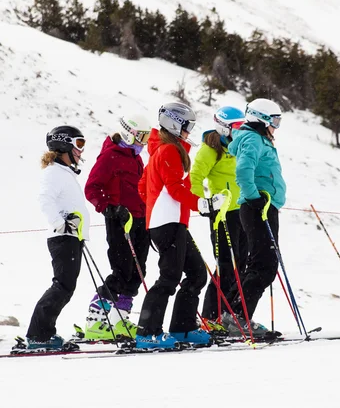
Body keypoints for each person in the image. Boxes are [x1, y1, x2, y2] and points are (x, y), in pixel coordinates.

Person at [134, 102, 225, 349]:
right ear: (175, 124)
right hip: (168, 222)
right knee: (169, 276)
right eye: (188, 126)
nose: (189, 131)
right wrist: (202, 204)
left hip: (171, 221)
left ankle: (183, 328)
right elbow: (174, 189)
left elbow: (143, 188)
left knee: (196, 273)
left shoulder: (160, 152)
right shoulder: (168, 152)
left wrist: (159, 205)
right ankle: (147, 333)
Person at [221, 98, 286, 338]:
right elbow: (243, 170)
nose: (276, 127)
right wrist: (253, 196)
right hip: (258, 207)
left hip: (263, 206)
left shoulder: (257, 139)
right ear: (261, 119)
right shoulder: (252, 139)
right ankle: (238, 317)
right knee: (264, 266)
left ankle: (232, 314)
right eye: (275, 121)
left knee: (260, 264)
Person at [83, 115, 151, 340]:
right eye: (142, 136)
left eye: (147, 137)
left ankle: (120, 320)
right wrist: (109, 208)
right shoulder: (110, 156)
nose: (144, 142)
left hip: (140, 220)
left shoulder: (136, 158)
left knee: (137, 272)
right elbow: (92, 188)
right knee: (121, 271)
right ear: (129, 133)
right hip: (119, 221)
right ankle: (96, 318)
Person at [24, 125, 90, 351]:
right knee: (62, 286)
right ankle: (38, 335)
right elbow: (44, 200)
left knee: (65, 286)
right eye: (79, 144)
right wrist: (61, 224)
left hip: (71, 236)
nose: (81, 151)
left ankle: (42, 333)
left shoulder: (63, 173)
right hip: (63, 237)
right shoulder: (54, 173)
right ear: (64, 145)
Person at [190, 106, 248, 330]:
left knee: (241, 264)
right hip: (222, 213)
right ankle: (210, 316)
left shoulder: (238, 146)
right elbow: (195, 177)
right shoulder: (210, 149)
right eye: (236, 127)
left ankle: (228, 314)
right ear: (223, 128)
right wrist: (200, 202)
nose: (240, 131)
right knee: (225, 264)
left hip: (242, 211)